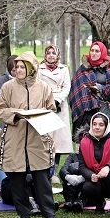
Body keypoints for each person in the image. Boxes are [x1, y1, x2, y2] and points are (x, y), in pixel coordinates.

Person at [0, 51, 58, 218]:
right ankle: (23, 214)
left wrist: (41, 116)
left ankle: (50, 215)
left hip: (38, 140)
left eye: (22, 67)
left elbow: (51, 109)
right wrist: (16, 115)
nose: (19, 69)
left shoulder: (43, 87)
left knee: (42, 179)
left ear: (32, 68)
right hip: (15, 139)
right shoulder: (8, 87)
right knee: (17, 179)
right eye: (17, 67)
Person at [77, 112, 110, 218]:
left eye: (100, 125)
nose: (97, 127)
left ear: (106, 126)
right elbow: (82, 166)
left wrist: (109, 167)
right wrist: (90, 175)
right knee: (88, 186)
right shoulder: (84, 142)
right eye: (94, 124)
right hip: (95, 179)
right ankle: (99, 205)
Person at [37, 45, 73, 183]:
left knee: (57, 143)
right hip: (45, 105)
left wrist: (58, 100)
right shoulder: (40, 69)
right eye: (48, 53)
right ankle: (44, 171)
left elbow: (67, 86)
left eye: (53, 53)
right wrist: (47, 100)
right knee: (45, 140)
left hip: (60, 107)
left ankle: (54, 173)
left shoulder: (64, 69)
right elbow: (38, 85)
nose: (51, 55)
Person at [69, 41, 110, 137]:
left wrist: (100, 88)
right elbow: (75, 91)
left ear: (102, 53)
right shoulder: (82, 68)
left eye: (97, 51)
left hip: (103, 108)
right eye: (92, 50)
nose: (94, 53)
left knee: (104, 138)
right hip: (85, 111)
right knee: (86, 140)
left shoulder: (108, 69)